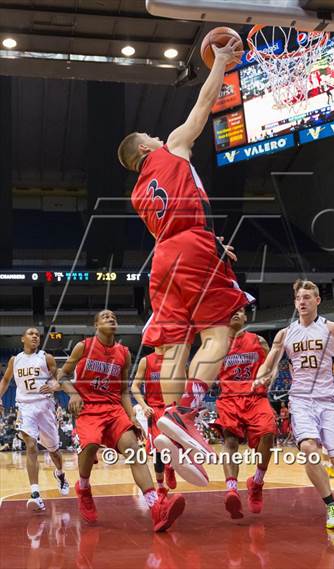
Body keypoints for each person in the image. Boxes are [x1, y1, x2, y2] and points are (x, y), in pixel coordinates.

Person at [117, 38, 251, 465]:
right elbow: (203, 103)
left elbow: (175, 224)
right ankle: (185, 409)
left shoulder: (138, 194)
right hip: (191, 244)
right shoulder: (171, 147)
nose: (158, 135)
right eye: (149, 136)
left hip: (163, 258)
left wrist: (209, 243)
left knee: (173, 348)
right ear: (144, 149)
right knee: (219, 333)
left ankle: (167, 426)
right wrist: (222, 64)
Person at [253, 280, 334, 529]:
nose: (302, 302)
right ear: (295, 303)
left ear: (317, 301)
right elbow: (269, 362)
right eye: (298, 298)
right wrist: (261, 376)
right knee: (308, 450)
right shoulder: (285, 334)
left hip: (330, 401)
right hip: (301, 400)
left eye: (307, 298)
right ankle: (331, 505)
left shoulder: (331, 328)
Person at [57, 310, 185, 531]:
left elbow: (124, 390)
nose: (111, 318)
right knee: (91, 445)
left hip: (114, 408)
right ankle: (84, 488)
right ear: (96, 323)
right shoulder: (84, 347)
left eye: (113, 316)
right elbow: (62, 375)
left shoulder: (124, 353)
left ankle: (156, 508)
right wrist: (74, 394)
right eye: (105, 316)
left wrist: (132, 417)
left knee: (135, 451)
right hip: (89, 407)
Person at [214, 307, 276, 519]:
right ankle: (231, 490)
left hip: (256, 398)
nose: (236, 313)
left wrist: (268, 377)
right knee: (230, 442)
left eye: (240, 310)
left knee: (269, 433)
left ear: (246, 317)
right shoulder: (215, 344)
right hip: (229, 399)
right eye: (232, 310)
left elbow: (272, 364)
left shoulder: (258, 341)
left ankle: (257, 483)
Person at [0, 328, 69, 511]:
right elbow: (6, 381)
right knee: (30, 446)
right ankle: (35, 493)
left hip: (45, 406)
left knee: (54, 451)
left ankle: (60, 474)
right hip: (25, 406)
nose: (35, 336)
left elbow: (58, 381)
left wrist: (54, 386)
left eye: (37, 335)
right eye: (31, 334)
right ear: (23, 338)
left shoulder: (46, 358)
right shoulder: (15, 360)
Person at [131, 347, 178, 493]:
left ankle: (170, 466)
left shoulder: (176, 358)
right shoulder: (146, 361)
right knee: (158, 450)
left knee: (177, 445)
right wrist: (144, 406)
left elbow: (186, 385)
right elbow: (134, 387)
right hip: (155, 410)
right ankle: (160, 487)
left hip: (172, 407)